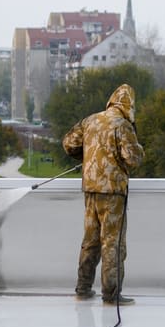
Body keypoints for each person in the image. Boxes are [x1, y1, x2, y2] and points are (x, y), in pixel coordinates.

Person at [62, 84, 144, 305]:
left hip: (90, 188)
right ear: (129, 105)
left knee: (90, 240)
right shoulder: (123, 125)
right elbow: (132, 159)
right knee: (112, 242)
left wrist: (88, 156)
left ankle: (83, 287)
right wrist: (139, 149)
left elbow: (69, 143)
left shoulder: (91, 120)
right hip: (112, 192)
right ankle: (111, 294)